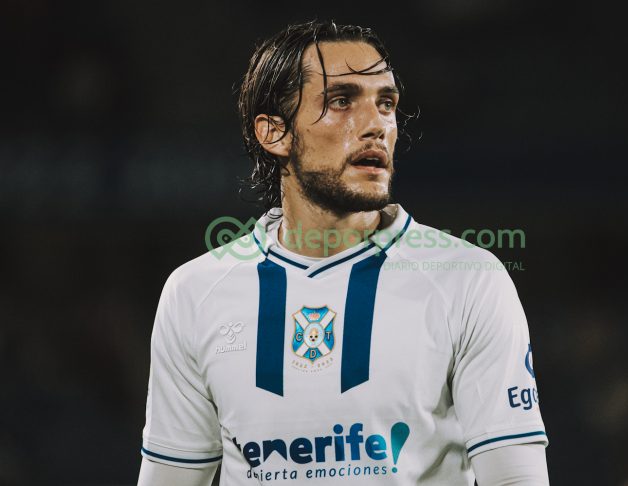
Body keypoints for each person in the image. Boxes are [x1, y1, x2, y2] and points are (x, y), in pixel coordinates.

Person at [138, 20, 549, 486]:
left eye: (386, 103)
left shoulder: (468, 280)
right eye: (341, 101)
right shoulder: (195, 293)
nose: (376, 125)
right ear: (275, 133)